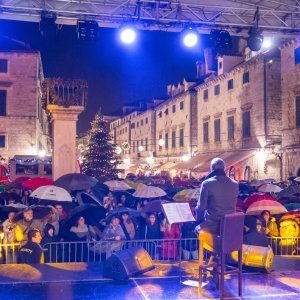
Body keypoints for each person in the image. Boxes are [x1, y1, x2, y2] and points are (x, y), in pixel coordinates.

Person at [195, 158, 239, 236]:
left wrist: (197, 219)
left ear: (211, 169)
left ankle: (205, 248)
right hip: (229, 225)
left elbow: (201, 208)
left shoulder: (206, 183)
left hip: (212, 226)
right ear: (224, 168)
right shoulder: (235, 184)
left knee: (194, 230)